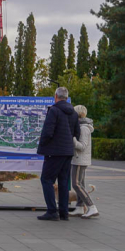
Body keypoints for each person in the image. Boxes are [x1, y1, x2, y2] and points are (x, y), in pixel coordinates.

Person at [37, 87, 80, 221]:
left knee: (46, 179)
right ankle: (64, 212)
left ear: (55, 96)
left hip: (54, 152)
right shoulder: (73, 113)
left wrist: (42, 144)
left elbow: (48, 132)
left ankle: (51, 211)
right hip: (68, 152)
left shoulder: (54, 110)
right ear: (66, 98)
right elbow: (76, 133)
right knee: (63, 182)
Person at [71, 105, 98, 218]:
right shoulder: (82, 126)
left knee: (76, 184)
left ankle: (91, 207)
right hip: (79, 159)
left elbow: (82, 146)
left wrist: (72, 139)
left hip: (80, 159)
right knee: (80, 183)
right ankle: (80, 207)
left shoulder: (83, 128)